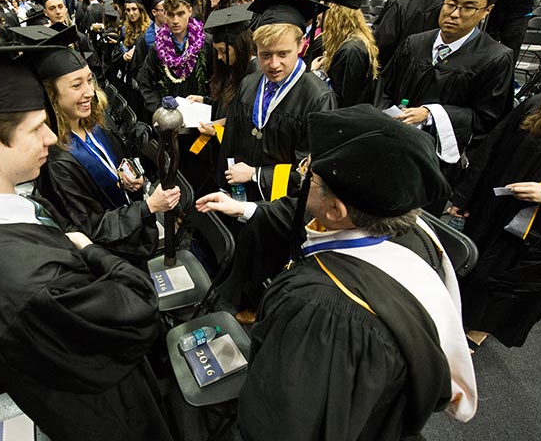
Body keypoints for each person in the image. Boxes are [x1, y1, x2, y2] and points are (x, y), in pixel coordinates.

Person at [0, 48, 174, 441]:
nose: (50, 137)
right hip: (105, 407)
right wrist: (88, 249)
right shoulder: (29, 277)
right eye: (36, 128)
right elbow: (140, 309)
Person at [195, 104, 477, 440]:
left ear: (336, 208)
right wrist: (243, 208)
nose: (303, 178)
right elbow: (305, 217)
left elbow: (285, 421)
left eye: (310, 176)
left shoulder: (323, 311)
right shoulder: (401, 225)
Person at [376, 0, 516, 176]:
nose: (454, 13)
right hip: (392, 143)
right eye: (451, 3)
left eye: (468, 7)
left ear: (486, 11)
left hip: (436, 162)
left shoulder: (495, 58)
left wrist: (432, 114)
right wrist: (387, 117)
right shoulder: (415, 43)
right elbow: (384, 87)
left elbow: (487, 120)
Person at [38, 44, 180, 263]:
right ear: (51, 96)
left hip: (126, 229)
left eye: (89, 80)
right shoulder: (57, 160)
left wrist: (129, 177)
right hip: (109, 259)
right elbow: (90, 228)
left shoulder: (92, 125)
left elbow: (116, 162)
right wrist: (149, 206)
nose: (89, 92)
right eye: (76, 85)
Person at [450, 91, 541, 350]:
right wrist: (465, 195)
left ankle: (476, 331)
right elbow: (493, 146)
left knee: (501, 278)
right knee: (472, 262)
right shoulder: (538, 103)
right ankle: (451, 317)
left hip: (535, 226)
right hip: (495, 204)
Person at [218, 0, 335, 207]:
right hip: (241, 197)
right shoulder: (249, 83)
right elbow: (231, 142)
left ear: (300, 46)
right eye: (265, 55)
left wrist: (256, 174)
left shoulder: (317, 98)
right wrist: (227, 188)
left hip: (283, 208)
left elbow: (308, 171)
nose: (273, 65)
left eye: (283, 54)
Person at [138, 0, 212, 115]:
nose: (175, 20)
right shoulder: (158, 49)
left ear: (190, 11)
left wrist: (206, 100)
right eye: (171, 15)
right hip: (169, 121)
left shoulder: (205, 43)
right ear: (164, 14)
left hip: (201, 118)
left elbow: (217, 80)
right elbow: (146, 84)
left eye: (180, 13)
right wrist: (160, 110)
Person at [312, 0, 379, 108]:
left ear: (335, 13)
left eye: (322, 10)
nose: (318, 15)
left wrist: (314, 76)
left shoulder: (351, 51)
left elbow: (342, 100)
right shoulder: (349, 43)